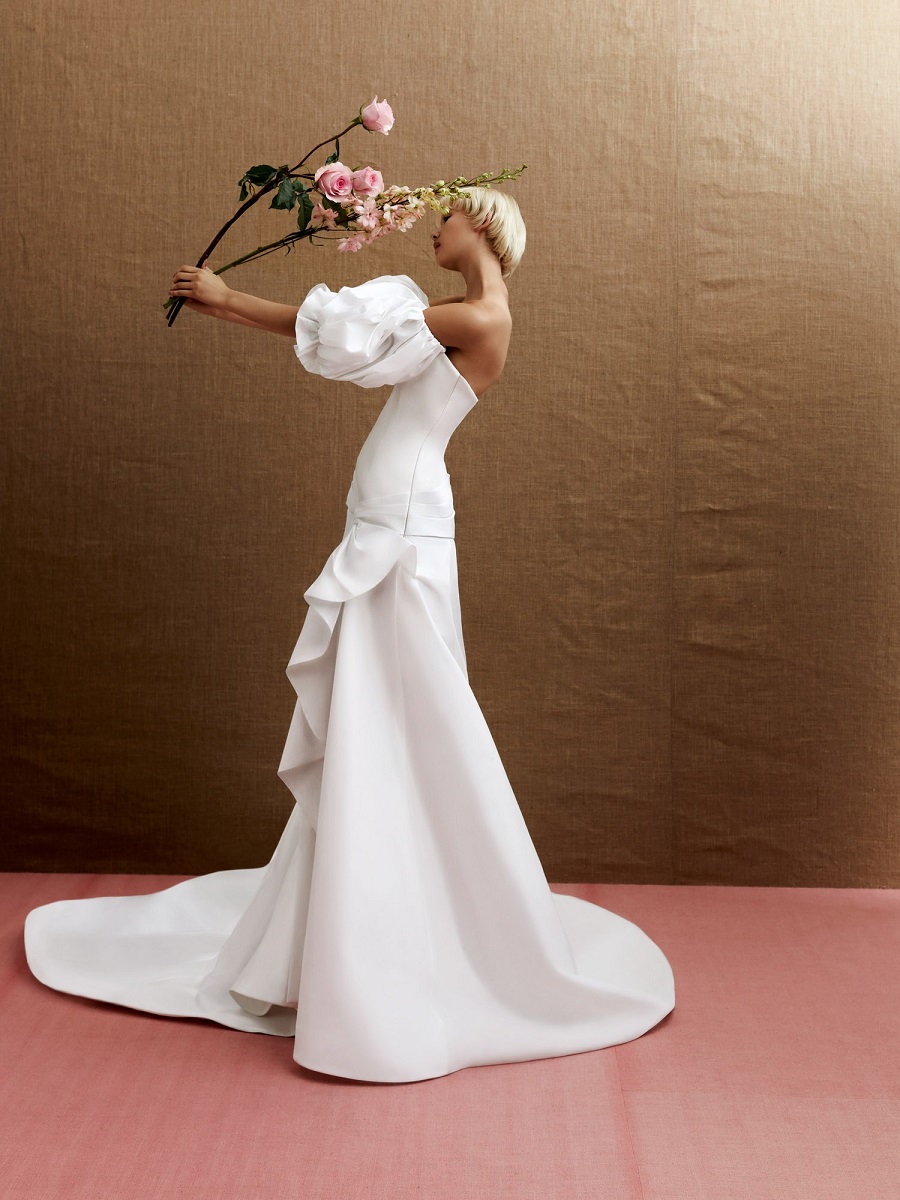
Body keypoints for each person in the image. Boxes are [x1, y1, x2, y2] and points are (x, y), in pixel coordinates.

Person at [23, 189, 675, 1084]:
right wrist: (231, 309)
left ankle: (392, 940)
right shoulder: (452, 311)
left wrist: (228, 300)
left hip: (399, 531)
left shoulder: (479, 315)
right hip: (391, 519)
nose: (434, 226)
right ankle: (352, 921)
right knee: (380, 716)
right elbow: (349, 346)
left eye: (448, 215)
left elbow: (339, 335)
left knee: (398, 715)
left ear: (484, 226)